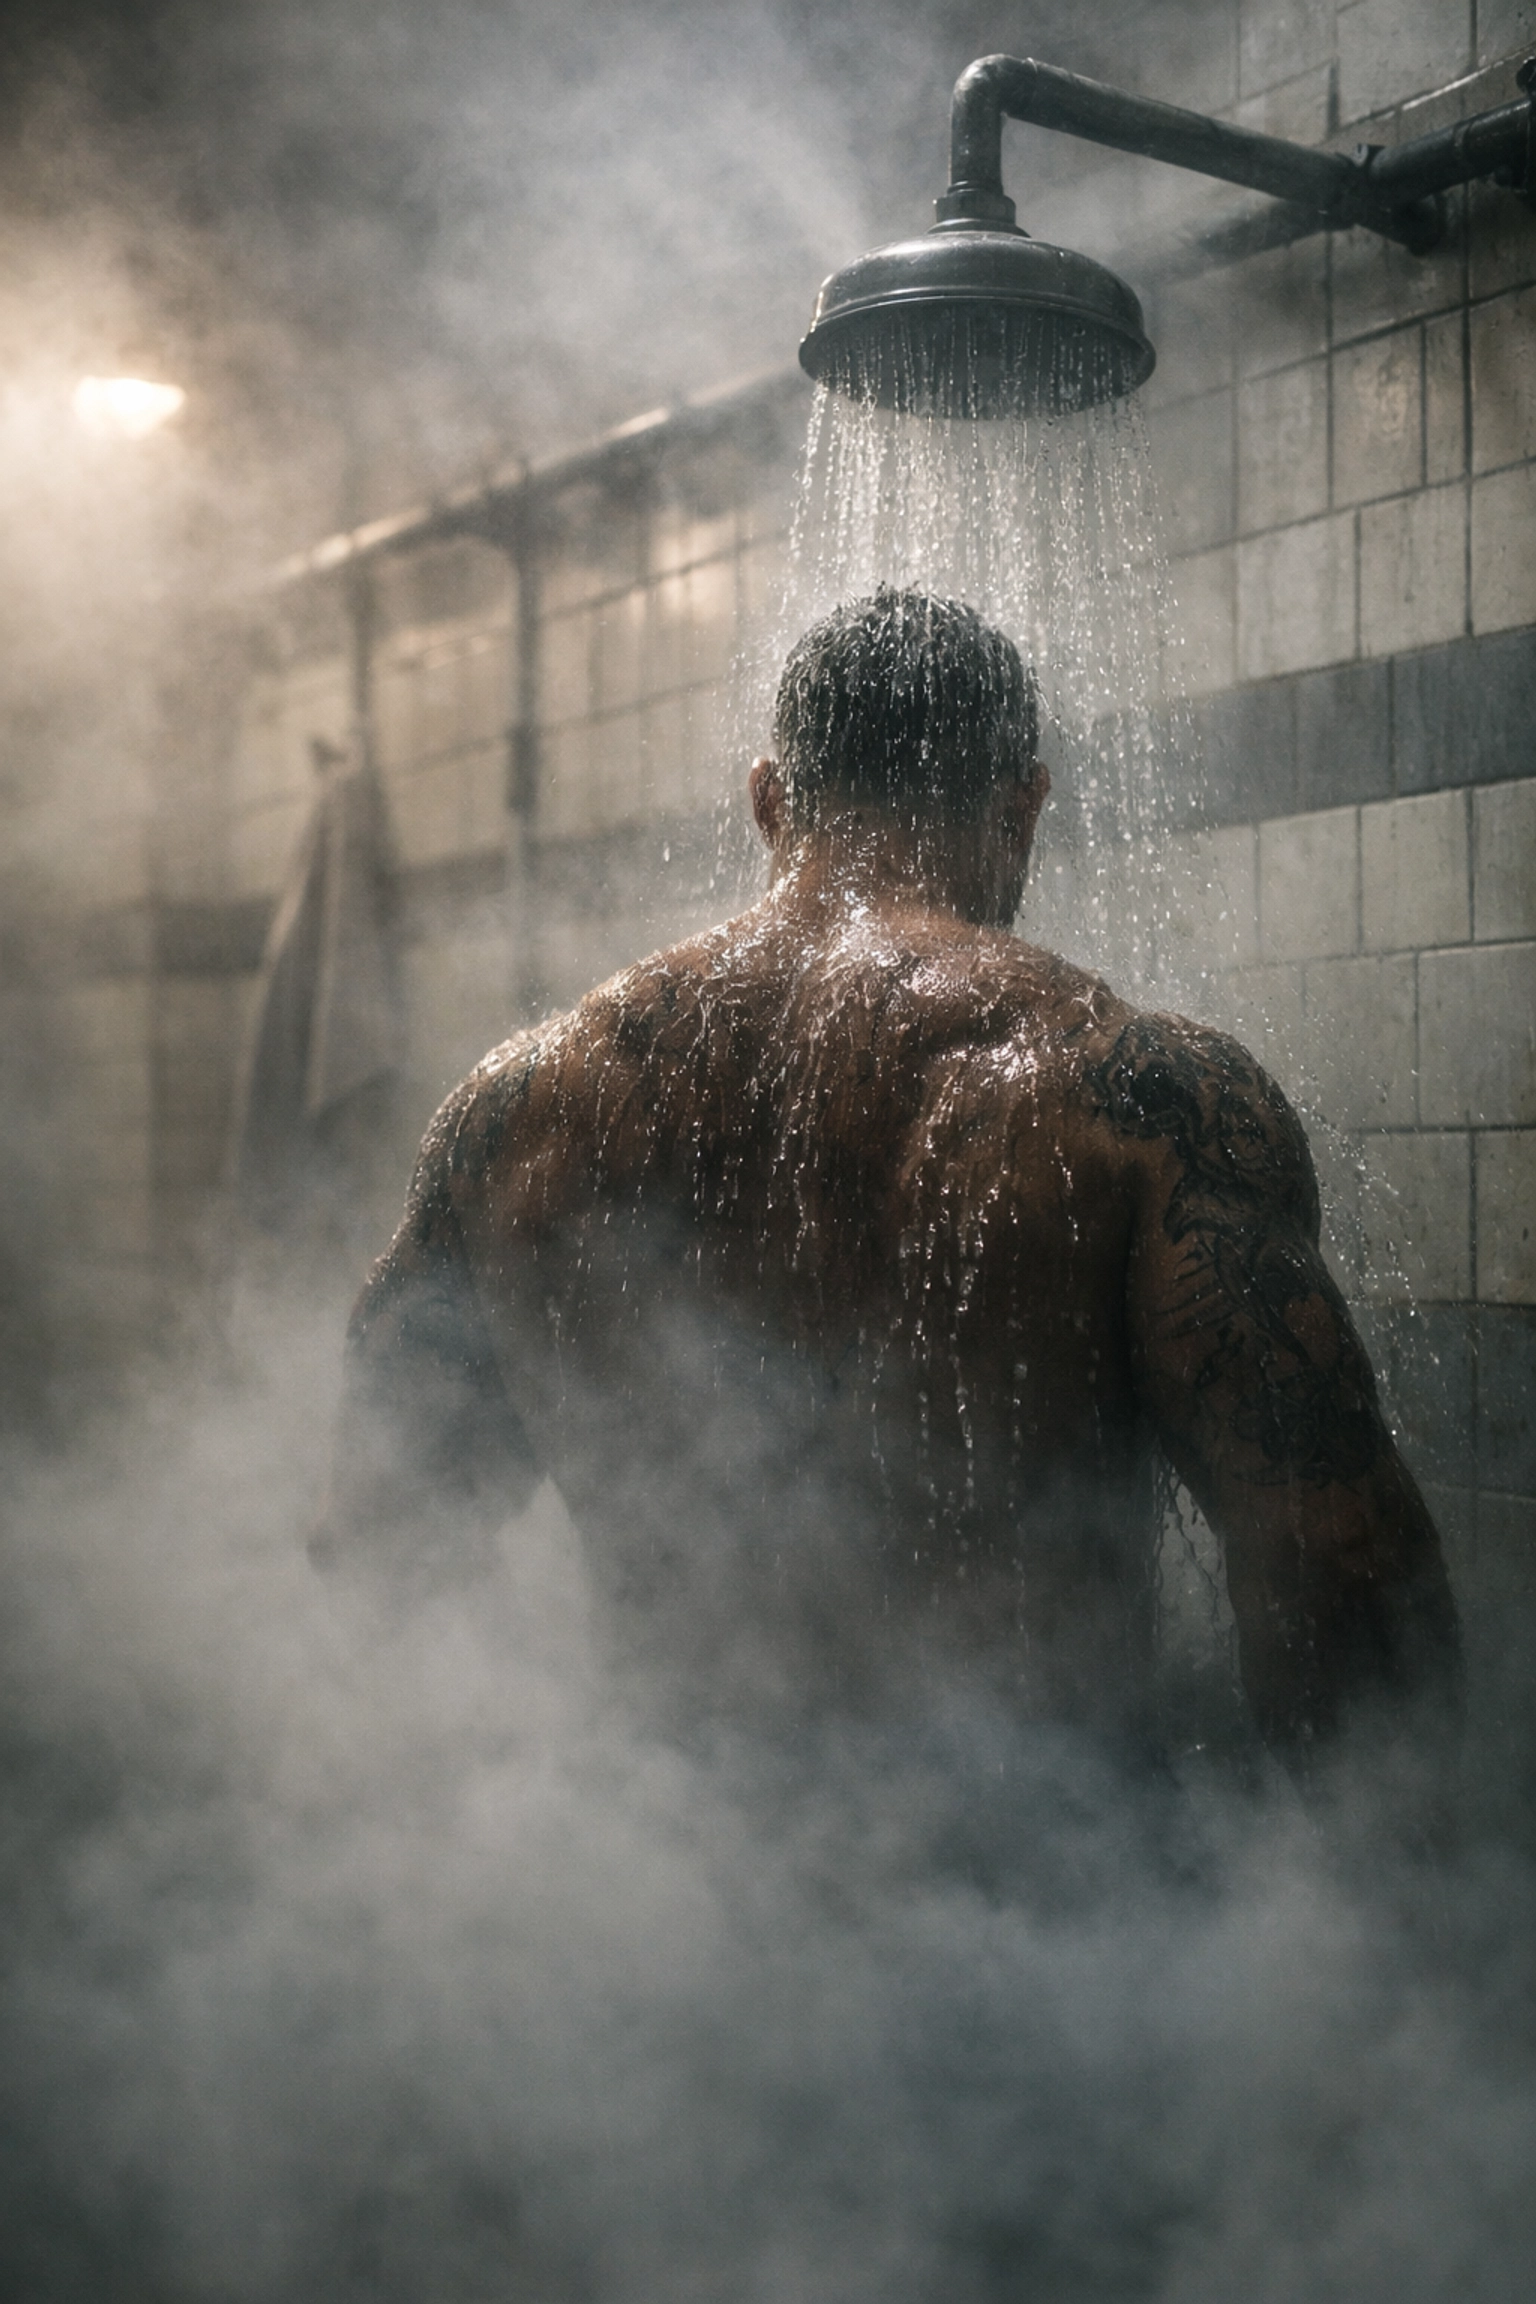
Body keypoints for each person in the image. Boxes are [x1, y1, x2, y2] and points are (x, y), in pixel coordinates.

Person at [317, 587, 1460, 1773]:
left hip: (666, 1880)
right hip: (1042, 1888)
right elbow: (1339, 1565)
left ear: (768, 800)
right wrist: (1355, 1930)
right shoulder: (1138, 1095)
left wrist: (485, 1882)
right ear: (1024, 807)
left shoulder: (522, 1107)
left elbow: (384, 1540)